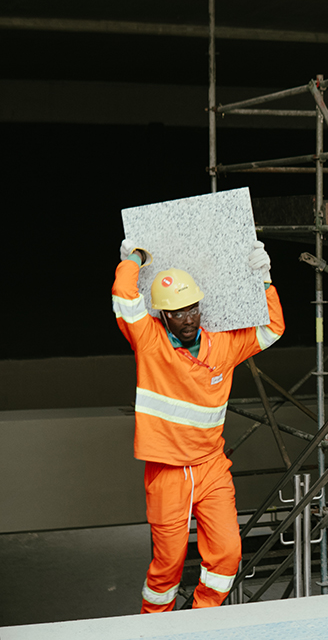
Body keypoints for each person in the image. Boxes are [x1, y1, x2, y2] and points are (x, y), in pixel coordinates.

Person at [111, 239, 285, 612]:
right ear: (162, 316)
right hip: (168, 473)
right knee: (167, 568)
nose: (188, 319)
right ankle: (154, 630)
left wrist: (265, 280)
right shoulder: (149, 342)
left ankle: (200, 622)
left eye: (192, 308)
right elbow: (124, 296)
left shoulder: (222, 345)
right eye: (177, 313)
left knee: (227, 554)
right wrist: (136, 259)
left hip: (211, 467)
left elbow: (273, 328)